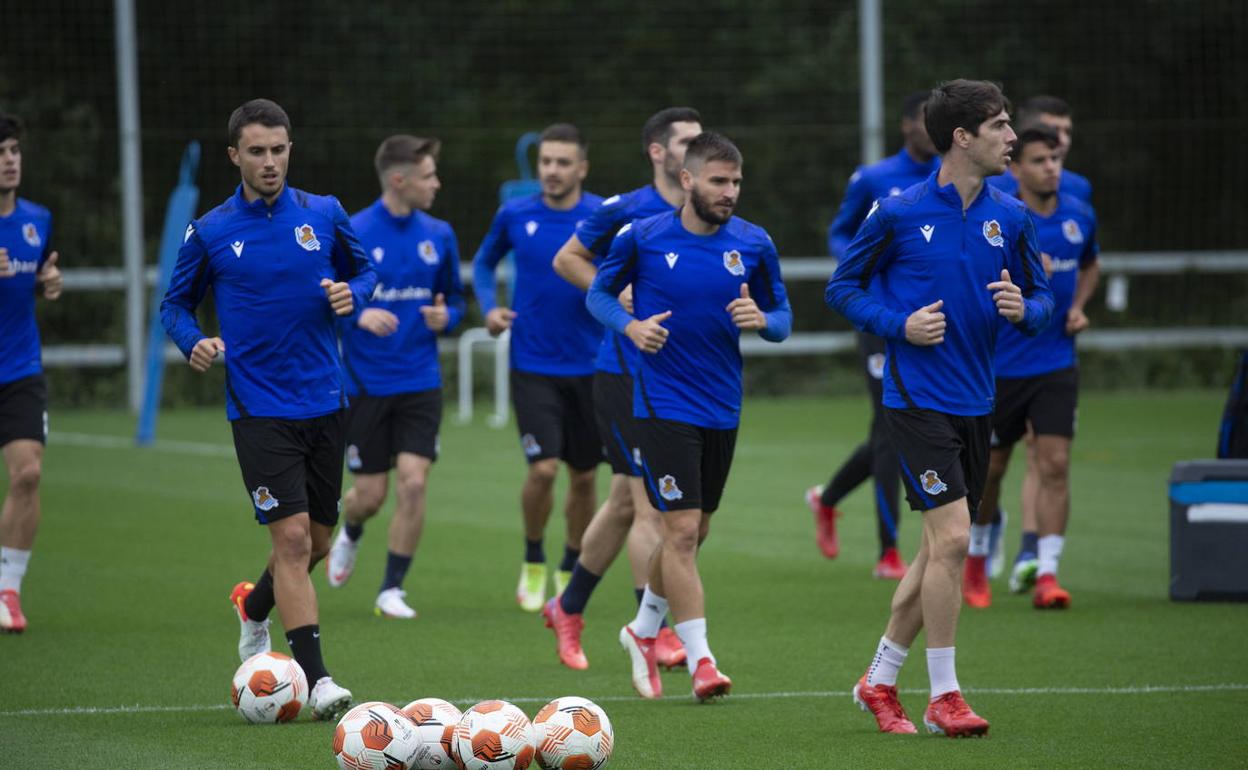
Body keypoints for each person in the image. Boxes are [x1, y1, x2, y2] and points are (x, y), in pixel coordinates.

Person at [826, 79, 1052, 737]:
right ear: (962, 135)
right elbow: (842, 289)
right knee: (953, 538)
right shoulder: (896, 210)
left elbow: (1040, 300)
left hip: (976, 401)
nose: (1013, 137)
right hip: (915, 400)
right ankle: (945, 695)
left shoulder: (1010, 216)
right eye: (1002, 126)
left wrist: (1026, 310)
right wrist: (898, 324)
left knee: (936, 556)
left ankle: (880, 680)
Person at [161, 99, 375, 720]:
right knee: (290, 537)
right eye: (257, 151)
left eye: (279, 149)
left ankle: (253, 607)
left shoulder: (326, 214)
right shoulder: (212, 230)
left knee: (317, 540)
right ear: (235, 156)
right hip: (258, 407)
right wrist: (192, 341)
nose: (270, 161)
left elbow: (365, 275)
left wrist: (350, 293)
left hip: (326, 400)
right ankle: (318, 680)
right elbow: (175, 305)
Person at [589, 131, 792, 702]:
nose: (729, 192)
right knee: (678, 528)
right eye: (718, 181)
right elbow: (598, 296)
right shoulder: (643, 238)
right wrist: (630, 326)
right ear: (687, 180)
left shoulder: (754, 243)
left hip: (722, 404)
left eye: (735, 182)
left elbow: (782, 317)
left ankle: (642, 630)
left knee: (695, 530)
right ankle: (703, 661)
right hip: (661, 403)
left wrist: (763, 319)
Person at [543, 107, 702, 671]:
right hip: (625, 375)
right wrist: (619, 296)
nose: (698, 149)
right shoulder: (628, 210)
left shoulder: (707, 210)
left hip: (685, 381)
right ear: (658, 152)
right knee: (651, 510)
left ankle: (568, 606)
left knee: (619, 503)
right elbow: (568, 259)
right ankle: (652, 629)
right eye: (687, 141)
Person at [324, 135, 466, 619]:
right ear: (400, 180)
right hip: (365, 383)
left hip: (421, 379)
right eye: (428, 175)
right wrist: (357, 317)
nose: (437, 183)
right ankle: (352, 529)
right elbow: (325, 300)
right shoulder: (354, 230)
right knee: (369, 495)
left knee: (413, 484)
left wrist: (446, 319)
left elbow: (455, 299)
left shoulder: (440, 234)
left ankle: (391, 589)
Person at [963, 124, 1099, 610]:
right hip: (999, 367)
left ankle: (1047, 573)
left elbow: (1089, 264)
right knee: (991, 470)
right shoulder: (1001, 220)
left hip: (1056, 362)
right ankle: (976, 560)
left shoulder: (1079, 217)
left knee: (1055, 463)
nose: (1051, 169)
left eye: (1056, 160)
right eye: (1040, 161)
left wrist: (1079, 305)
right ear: (1016, 169)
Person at [472, 123, 604, 611]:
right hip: (532, 363)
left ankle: (571, 565)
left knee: (586, 477)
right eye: (546, 161)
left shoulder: (601, 216)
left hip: (593, 367)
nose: (551, 170)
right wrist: (489, 306)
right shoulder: (515, 214)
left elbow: (626, 269)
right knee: (544, 469)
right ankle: (533, 557)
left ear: (581, 169)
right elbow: (485, 264)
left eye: (562, 162)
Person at [807, 92, 938, 578]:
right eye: (926, 122)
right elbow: (840, 233)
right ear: (906, 126)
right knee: (889, 424)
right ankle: (889, 551)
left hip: (935, 320)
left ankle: (828, 498)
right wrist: (865, 263)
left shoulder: (951, 180)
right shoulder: (874, 179)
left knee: (899, 427)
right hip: (880, 320)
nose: (934, 130)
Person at [0, 113, 64, 634]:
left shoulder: (37, 218)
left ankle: (8, 590)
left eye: (14, 150)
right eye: (1, 151)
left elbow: (39, 275)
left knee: (28, 473)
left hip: (20, 367)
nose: (9, 159)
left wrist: (48, 281)